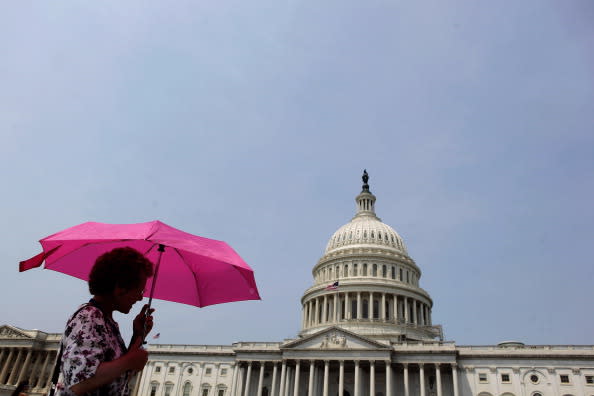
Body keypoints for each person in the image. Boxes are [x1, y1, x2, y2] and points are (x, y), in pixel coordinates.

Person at [56, 247, 155, 396]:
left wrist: (138, 335)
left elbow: (117, 378)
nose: (140, 298)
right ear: (120, 288)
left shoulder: (106, 322)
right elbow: (79, 381)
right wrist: (129, 361)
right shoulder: (89, 316)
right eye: (140, 291)